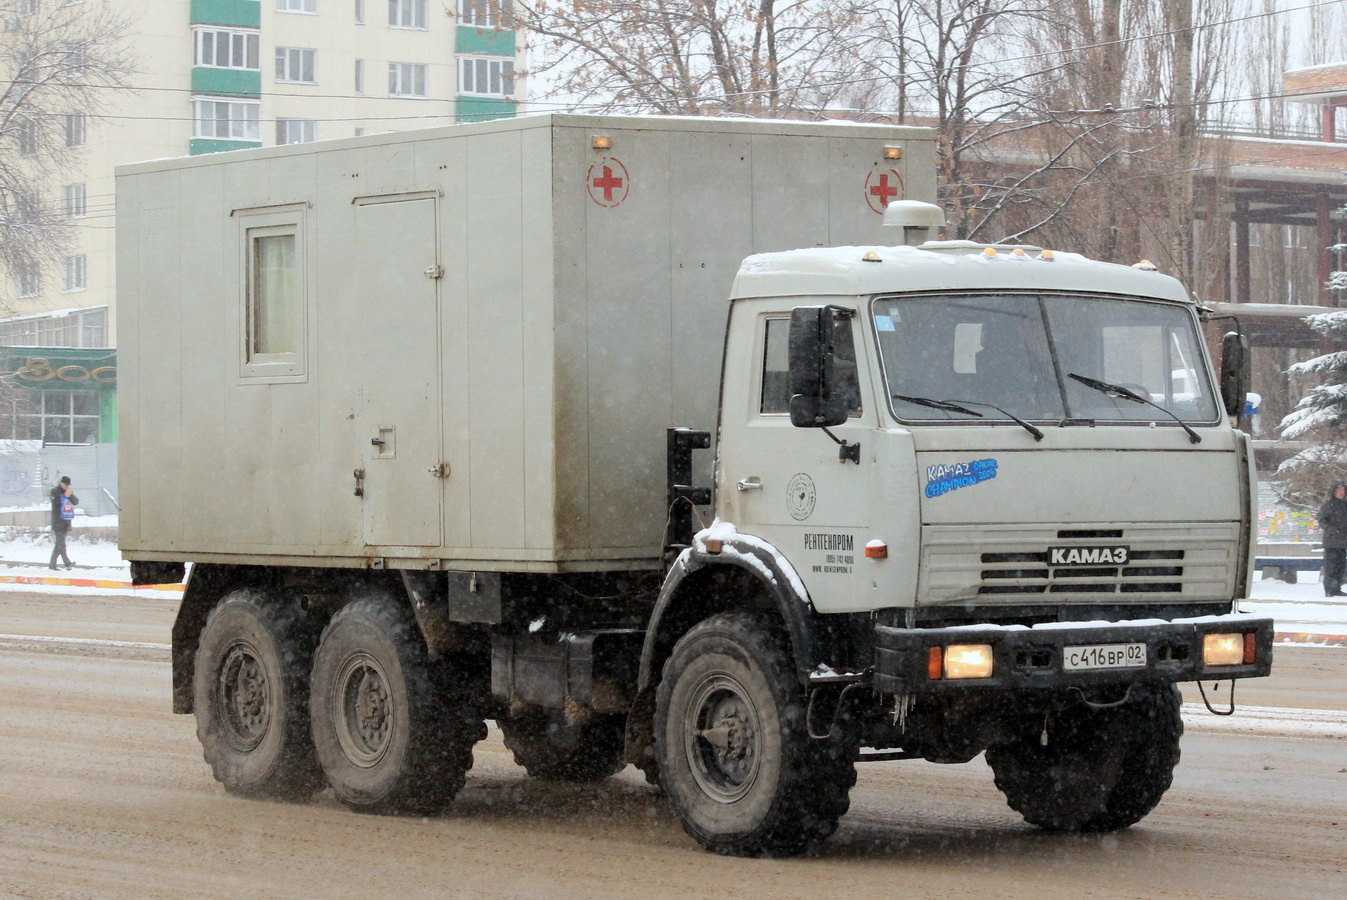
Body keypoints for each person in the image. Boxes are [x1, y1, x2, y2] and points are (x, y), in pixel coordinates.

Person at [1317, 481, 1347, 597]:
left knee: (1340, 567)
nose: (1342, 492)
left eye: (1343, 490)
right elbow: (1322, 520)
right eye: (1339, 490)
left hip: (1343, 542)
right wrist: (1333, 530)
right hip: (1331, 541)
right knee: (1331, 567)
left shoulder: (1345, 504)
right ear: (1334, 491)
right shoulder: (1328, 504)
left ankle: (1337, 588)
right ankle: (1329, 589)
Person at [48, 476, 78, 570]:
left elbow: (75, 502)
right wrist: (65, 495)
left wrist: (71, 495)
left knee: (60, 544)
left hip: (66, 522)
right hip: (58, 521)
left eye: (68, 485)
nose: (66, 486)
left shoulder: (67, 492)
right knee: (60, 543)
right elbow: (56, 504)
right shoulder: (54, 492)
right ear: (61, 483)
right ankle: (66, 563)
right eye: (65, 484)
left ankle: (53, 565)